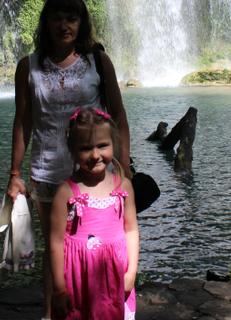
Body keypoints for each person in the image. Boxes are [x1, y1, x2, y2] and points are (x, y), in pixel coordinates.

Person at [7, 0, 130, 320]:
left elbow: (118, 115)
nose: (64, 25)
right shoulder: (28, 66)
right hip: (46, 172)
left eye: (71, 18)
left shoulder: (98, 62)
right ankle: (52, 314)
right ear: (46, 22)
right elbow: (23, 122)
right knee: (56, 247)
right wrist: (14, 174)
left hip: (95, 174)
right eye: (57, 18)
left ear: (81, 23)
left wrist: (124, 168)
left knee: (97, 243)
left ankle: (97, 310)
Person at [49, 107, 138, 320]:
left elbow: (131, 230)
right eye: (86, 148)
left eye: (102, 146)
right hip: (78, 280)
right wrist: (59, 289)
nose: (95, 155)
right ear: (72, 149)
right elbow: (56, 242)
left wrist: (131, 272)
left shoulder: (123, 186)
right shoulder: (66, 192)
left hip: (115, 276)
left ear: (114, 144)